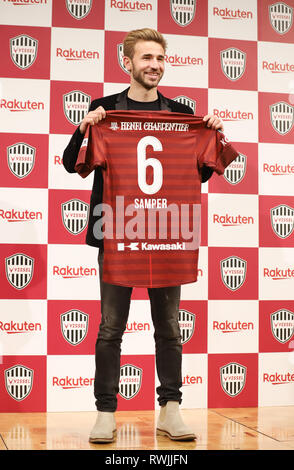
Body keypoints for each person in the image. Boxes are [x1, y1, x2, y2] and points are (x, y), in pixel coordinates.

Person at [63, 28, 224, 443]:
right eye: (146, 58)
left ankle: (171, 409)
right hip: (117, 231)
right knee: (110, 327)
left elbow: (201, 173)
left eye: (160, 58)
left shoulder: (182, 111)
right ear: (128, 62)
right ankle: (105, 412)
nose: (155, 65)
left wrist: (211, 132)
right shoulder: (104, 109)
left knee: (168, 327)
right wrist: (84, 128)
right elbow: (70, 163)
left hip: (167, 232)